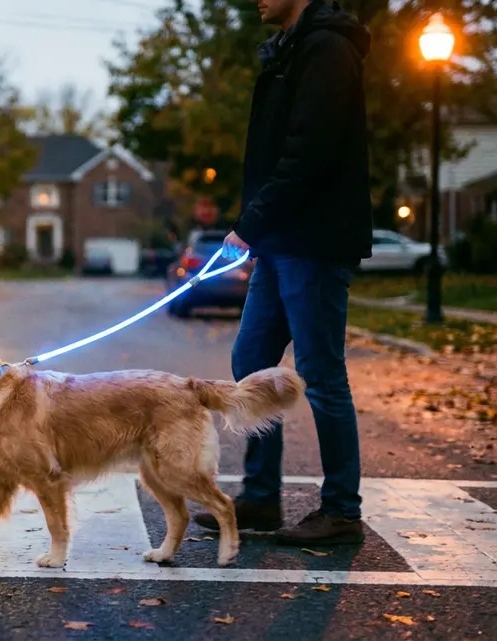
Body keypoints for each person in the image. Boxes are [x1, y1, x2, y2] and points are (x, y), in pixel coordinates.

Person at [192, 0, 373, 545]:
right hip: (281, 242)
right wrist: (260, 228)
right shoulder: (286, 52)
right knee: (251, 363)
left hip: (313, 242)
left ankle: (341, 509)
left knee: (322, 374)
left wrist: (251, 224)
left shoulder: (327, 49)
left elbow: (308, 155)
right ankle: (261, 498)